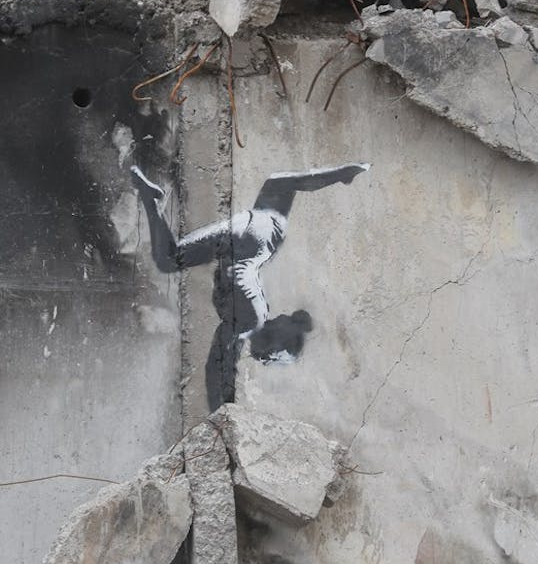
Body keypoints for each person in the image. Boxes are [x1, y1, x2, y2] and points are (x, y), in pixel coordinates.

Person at [131, 161, 370, 411]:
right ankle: (152, 200)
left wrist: (338, 174)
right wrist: (224, 414)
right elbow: (217, 366)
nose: (266, 361)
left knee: (170, 258)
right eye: (274, 358)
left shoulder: (253, 309)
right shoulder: (248, 323)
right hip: (244, 242)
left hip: (252, 227)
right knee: (169, 259)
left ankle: (152, 199)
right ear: (277, 342)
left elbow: (279, 181)